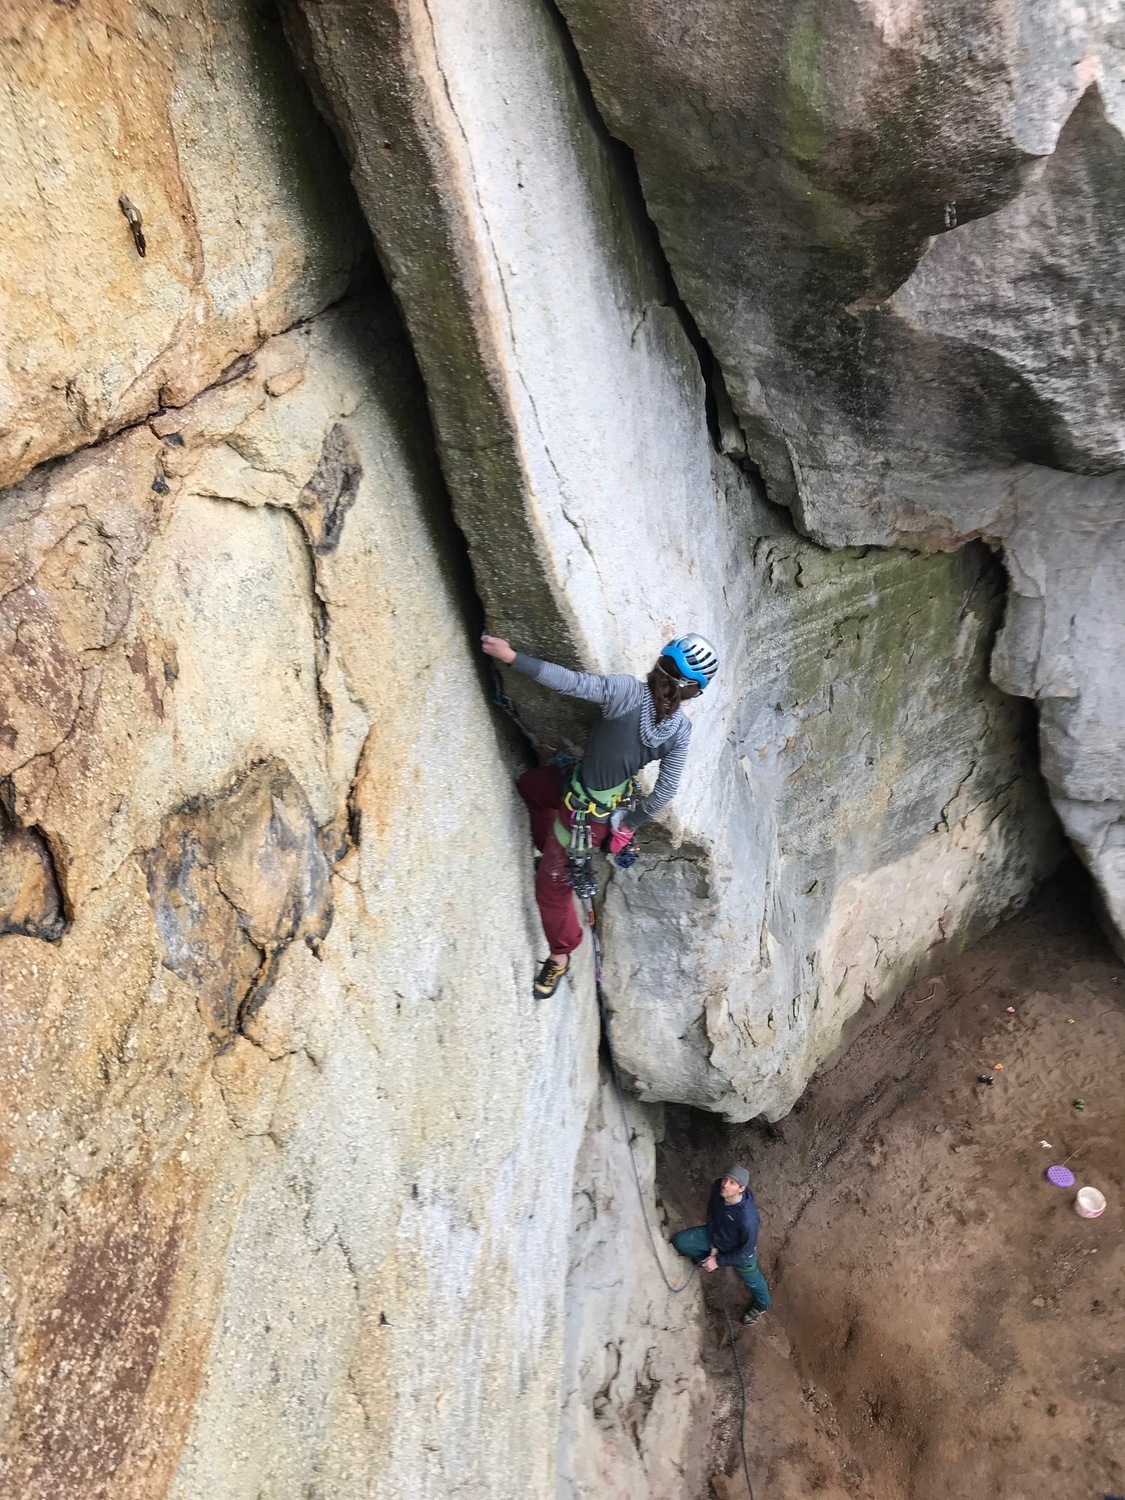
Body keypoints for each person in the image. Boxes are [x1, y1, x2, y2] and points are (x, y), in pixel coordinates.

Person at [480, 632, 719, 998]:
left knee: (551, 892)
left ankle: (561, 955)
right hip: (587, 797)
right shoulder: (680, 732)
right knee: (531, 786)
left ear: (658, 665)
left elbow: (572, 683)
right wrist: (627, 825)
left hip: (582, 817)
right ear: (693, 693)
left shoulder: (627, 692)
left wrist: (514, 657)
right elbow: (665, 791)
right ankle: (550, 853)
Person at [671, 1164, 771, 1324]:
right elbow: (712, 1214)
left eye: (732, 1183)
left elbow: (745, 1251)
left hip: (740, 1251)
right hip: (717, 1235)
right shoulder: (719, 1188)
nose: (725, 1184)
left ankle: (762, 1305)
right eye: (726, 1179)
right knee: (681, 1241)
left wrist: (718, 1261)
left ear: (741, 1189)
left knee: (753, 1280)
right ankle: (704, 1261)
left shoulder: (747, 1218)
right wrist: (713, 1247)